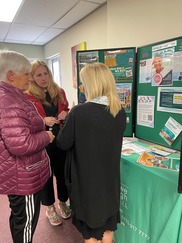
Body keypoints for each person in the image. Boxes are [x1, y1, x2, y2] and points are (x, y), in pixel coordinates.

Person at [56, 62, 126, 243]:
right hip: (109, 182)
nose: (81, 86)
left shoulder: (79, 113)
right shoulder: (119, 111)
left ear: (91, 84)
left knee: (91, 232)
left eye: (83, 82)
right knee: (108, 226)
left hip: (86, 183)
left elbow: (63, 143)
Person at [0, 50, 55, 243]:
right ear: (11, 75)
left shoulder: (13, 96)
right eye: (27, 73)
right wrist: (46, 136)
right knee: (26, 223)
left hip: (19, 173)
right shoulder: (10, 101)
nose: (31, 78)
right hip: (23, 175)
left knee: (20, 218)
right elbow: (21, 144)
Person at [25, 60, 71, 226]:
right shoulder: (27, 96)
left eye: (46, 74)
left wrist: (66, 114)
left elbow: (65, 110)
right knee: (45, 176)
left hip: (61, 139)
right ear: (31, 77)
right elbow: (26, 121)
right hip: (42, 142)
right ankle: (49, 207)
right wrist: (42, 120)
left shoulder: (59, 91)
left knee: (62, 173)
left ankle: (63, 202)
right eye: (39, 75)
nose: (43, 78)